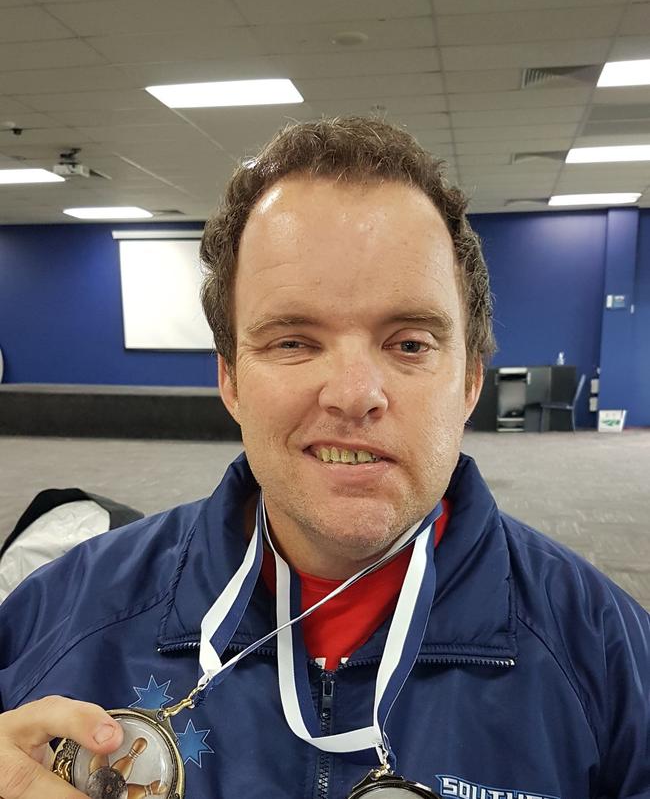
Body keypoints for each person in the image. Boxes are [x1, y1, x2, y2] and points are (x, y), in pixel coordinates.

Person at [0, 117, 648, 799]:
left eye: (408, 344)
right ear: (230, 379)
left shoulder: (607, 656)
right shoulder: (62, 618)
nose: (352, 395)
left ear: (468, 383)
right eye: (292, 342)